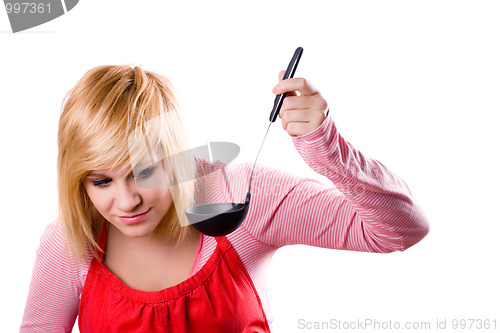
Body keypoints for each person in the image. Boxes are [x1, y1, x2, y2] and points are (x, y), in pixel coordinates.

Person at [20, 64, 430, 332]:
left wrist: (326, 147)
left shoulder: (238, 198)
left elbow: (401, 231)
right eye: (101, 182)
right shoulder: (71, 241)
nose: (126, 202)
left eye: (144, 172)